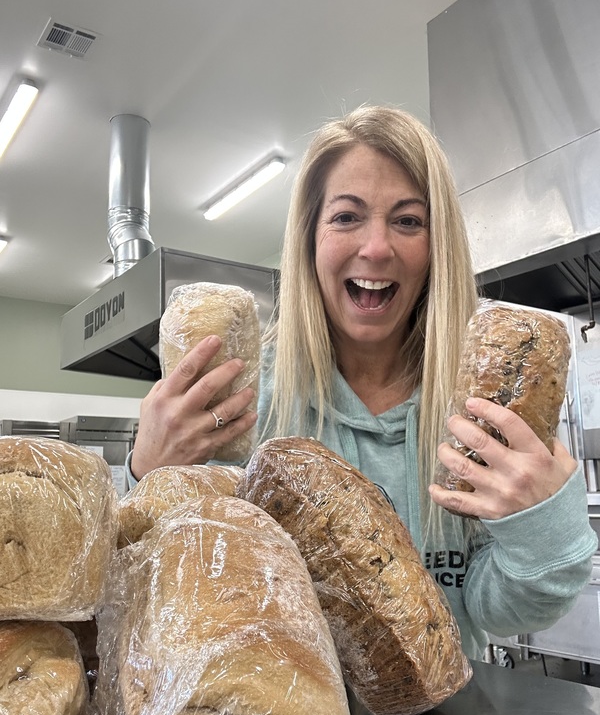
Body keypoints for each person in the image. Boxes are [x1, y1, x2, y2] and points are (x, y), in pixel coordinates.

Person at [128, 104, 597, 661]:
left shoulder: (476, 409)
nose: (376, 248)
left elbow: (493, 608)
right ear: (310, 240)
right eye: (347, 217)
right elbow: (163, 588)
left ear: (436, 246)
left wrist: (545, 533)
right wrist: (144, 478)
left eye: (407, 221)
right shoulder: (244, 403)